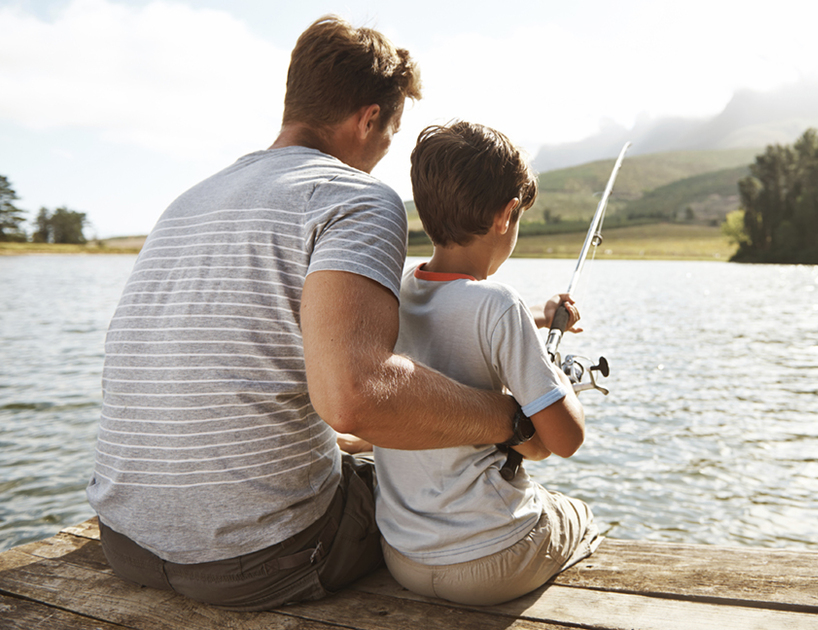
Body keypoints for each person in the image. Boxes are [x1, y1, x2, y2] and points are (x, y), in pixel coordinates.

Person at [86, 16, 529, 611]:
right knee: (435, 492)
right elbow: (356, 395)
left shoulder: (186, 202)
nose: (379, 156)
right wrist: (508, 419)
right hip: (262, 558)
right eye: (389, 134)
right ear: (369, 117)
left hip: (126, 541)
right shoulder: (355, 196)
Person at [372, 121, 601, 607]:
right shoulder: (501, 305)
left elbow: (452, 316)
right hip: (491, 562)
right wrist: (553, 369)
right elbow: (565, 440)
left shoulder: (394, 289)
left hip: (404, 557)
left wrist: (537, 321)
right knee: (578, 514)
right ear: (507, 214)